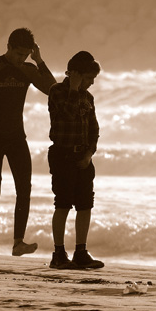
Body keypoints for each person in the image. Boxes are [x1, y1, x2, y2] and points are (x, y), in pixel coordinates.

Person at [0, 27, 56, 256]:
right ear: (8, 47)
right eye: (18, 54)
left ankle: (18, 243)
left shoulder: (27, 69)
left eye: (25, 54)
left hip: (16, 138)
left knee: (24, 189)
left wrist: (40, 61)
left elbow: (53, 90)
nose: (20, 59)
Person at [47, 51, 104, 269]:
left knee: (85, 205)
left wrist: (89, 154)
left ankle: (81, 251)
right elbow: (68, 113)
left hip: (83, 157)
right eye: (88, 78)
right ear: (75, 74)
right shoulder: (57, 91)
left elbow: (94, 130)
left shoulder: (88, 98)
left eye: (92, 79)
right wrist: (73, 88)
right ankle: (58, 253)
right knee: (62, 204)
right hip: (62, 155)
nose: (90, 83)